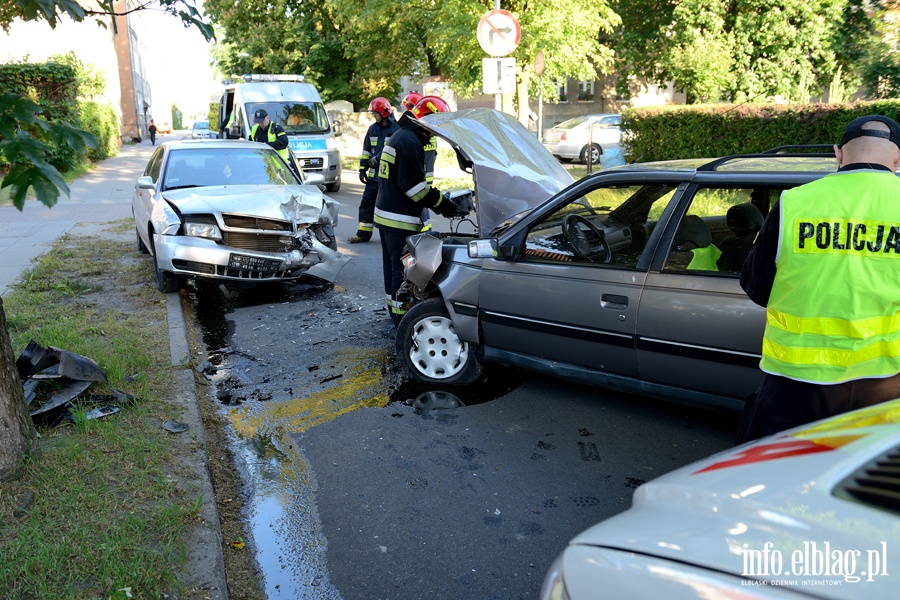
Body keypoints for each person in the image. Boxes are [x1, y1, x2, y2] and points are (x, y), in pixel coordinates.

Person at [736, 115, 900, 444]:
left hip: (795, 385)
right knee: (860, 488)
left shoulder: (794, 203)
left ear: (838, 153)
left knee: (783, 481)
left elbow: (758, 288)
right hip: (886, 386)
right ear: (898, 159)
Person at [374, 95, 459, 323]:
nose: (436, 132)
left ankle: (393, 311)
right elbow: (415, 189)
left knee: (391, 267)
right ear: (427, 121)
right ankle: (403, 321)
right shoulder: (410, 142)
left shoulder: (402, 136)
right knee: (402, 271)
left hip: (387, 216)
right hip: (399, 219)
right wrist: (444, 204)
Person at [349, 97, 399, 243]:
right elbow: (366, 150)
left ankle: (392, 236)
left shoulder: (396, 130)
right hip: (373, 177)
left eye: (375, 113)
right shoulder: (372, 129)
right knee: (367, 204)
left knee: (390, 207)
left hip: (389, 177)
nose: (373, 116)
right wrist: (362, 169)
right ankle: (363, 234)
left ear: (384, 112)